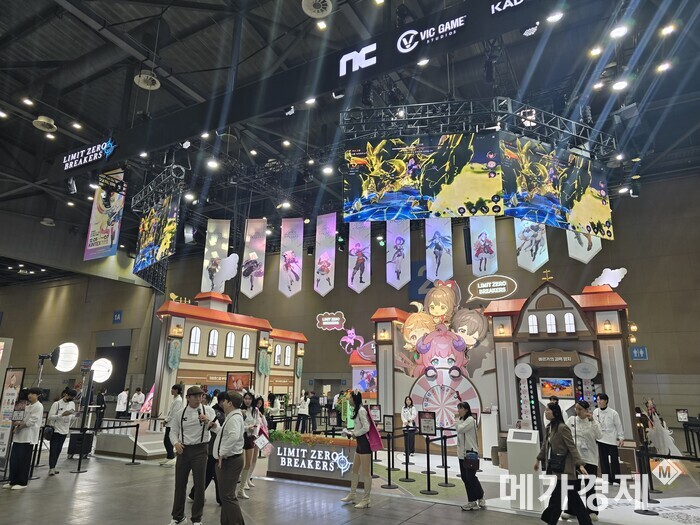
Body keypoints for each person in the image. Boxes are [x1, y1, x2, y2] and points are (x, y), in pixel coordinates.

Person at [168, 386, 219, 525]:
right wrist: (176, 443)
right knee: (180, 484)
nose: (198, 399)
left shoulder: (208, 410)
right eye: (195, 396)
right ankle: (178, 516)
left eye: (200, 396)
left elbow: (218, 429)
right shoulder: (180, 413)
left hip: (201, 450)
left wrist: (209, 422)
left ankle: (197, 518)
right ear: (188, 398)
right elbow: (173, 431)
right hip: (183, 450)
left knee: (199, 484)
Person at [535, 402, 592, 525]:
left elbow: (572, 447)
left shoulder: (562, 428)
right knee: (567, 497)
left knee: (561, 497)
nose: (545, 412)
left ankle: (550, 520)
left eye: (548, 410)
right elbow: (545, 445)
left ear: (555, 412)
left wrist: (580, 464)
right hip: (559, 468)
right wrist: (538, 459)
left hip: (567, 468)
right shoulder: (550, 427)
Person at [565, 400, 603, 522]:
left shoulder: (593, 422)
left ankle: (592, 510)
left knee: (589, 485)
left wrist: (593, 421)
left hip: (589, 458)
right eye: (576, 409)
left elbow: (599, 436)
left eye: (580, 409)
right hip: (575, 458)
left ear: (586, 410)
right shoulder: (571, 420)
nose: (577, 411)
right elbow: (565, 434)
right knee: (573, 485)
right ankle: (571, 509)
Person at [213, 391, 246, 525]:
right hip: (229, 460)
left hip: (230, 461)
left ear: (230, 403)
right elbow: (225, 434)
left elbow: (233, 436)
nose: (222, 403)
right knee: (225, 496)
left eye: (225, 401)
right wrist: (215, 427)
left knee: (228, 496)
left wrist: (222, 453)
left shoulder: (234, 418)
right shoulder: (232, 417)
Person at [5, 387, 44, 490]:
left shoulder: (38, 406)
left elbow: (32, 421)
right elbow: (20, 418)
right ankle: (12, 481)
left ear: (38, 395)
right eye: (29, 393)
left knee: (23, 461)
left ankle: (22, 482)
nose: (30, 395)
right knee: (14, 460)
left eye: (33, 393)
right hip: (18, 436)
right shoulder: (27, 406)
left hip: (28, 438)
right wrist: (16, 423)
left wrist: (20, 425)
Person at [189, 393, 224, 505]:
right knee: (212, 472)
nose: (200, 400)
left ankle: (196, 493)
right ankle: (219, 498)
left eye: (202, 398)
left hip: (214, 447)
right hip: (210, 446)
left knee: (211, 472)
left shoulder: (215, 411)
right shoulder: (216, 412)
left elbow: (217, 428)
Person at [340, 391, 373, 509]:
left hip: (365, 444)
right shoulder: (357, 410)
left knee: (366, 473)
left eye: (350, 398)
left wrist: (356, 434)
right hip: (360, 443)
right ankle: (352, 494)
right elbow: (360, 427)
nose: (349, 400)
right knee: (355, 470)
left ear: (354, 399)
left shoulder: (361, 411)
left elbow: (366, 427)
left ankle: (366, 499)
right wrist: (351, 432)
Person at [455, 401, 485, 511]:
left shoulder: (470, 420)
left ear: (466, 410)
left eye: (460, 408)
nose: (458, 410)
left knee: (470, 477)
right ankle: (472, 501)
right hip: (461, 454)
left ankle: (480, 495)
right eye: (458, 408)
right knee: (465, 477)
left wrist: (456, 420)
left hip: (470, 453)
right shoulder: (462, 420)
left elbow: (459, 429)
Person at [593, 393, 624, 485]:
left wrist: (621, 437)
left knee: (614, 460)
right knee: (603, 460)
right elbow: (594, 425)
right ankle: (607, 479)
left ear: (606, 401)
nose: (599, 402)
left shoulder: (613, 413)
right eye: (597, 400)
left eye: (601, 400)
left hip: (611, 439)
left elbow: (618, 425)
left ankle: (616, 480)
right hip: (600, 438)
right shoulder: (595, 412)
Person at [47, 388, 77, 476]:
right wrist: (61, 415)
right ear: (65, 395)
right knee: (53, 449)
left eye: (73, 397)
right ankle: (51, 468)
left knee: (59, 449)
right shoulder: (57, 404)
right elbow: (50, 417)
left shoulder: (72, 404)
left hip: (65, 430)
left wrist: (75, 416)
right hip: (56, 430)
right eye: (70, 396)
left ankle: (54, 466)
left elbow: (71, 416)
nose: (71, 398)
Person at [237, 391, 260, 500]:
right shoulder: (240, 410)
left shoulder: (255, 410)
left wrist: (255, 429)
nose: (247, 401)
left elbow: (258, 422)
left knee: (248, 463)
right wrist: (247, 428)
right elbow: (239, 425)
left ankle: (242, 488)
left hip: (251, 437)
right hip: (242, 437)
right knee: (242, 463)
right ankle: (240, 485)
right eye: (245, 398)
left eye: (249, 399)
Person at [161, 384, 184, 466]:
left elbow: (174, 413)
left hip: (172, 423)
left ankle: (171, 457)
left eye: (172, 389)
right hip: (170, 423)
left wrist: (167, 420)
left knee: (168, 440)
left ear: (176, 390)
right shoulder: (175, 399)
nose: (171, 391)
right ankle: (169, 456)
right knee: (166, 440)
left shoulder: (178, 400)